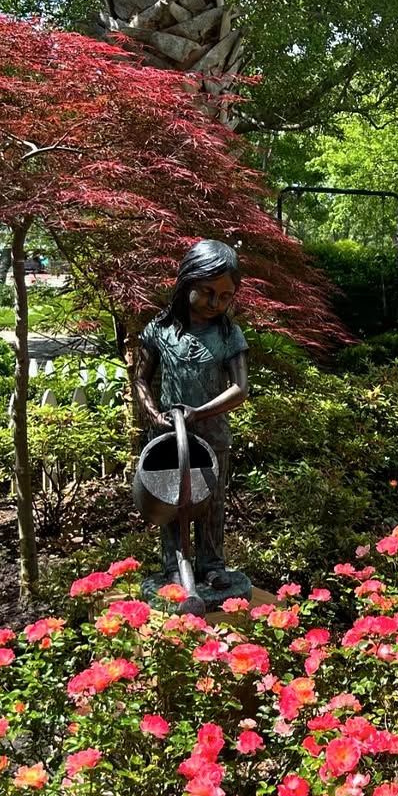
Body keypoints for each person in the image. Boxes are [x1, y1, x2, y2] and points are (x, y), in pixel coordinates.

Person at [133, 240, 249, 590]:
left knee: (211, 503)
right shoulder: (159, 329)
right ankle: (173, 565)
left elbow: (240, 389)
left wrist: (199, 413)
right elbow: (140, 377)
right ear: (187, 283)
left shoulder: (229, 334)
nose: (216, 303)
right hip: (168, 438)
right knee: (169, 501)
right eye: (207, 292)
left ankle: (212, 564)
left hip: (212, 437)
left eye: (225, 296)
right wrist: (154, 413)